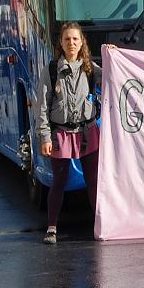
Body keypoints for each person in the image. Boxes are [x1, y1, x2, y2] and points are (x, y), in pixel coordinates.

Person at [35, 22, 103, 244]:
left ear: (82, 42)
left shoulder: (91, 69)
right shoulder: (51, 70)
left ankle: (99, 225)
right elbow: (42, 106)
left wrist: (113, 55)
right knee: (59, 182)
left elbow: (114, 76)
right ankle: (51, 228)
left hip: (88, 132)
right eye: (67, 39)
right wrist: (45, 137)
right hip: (61, 134)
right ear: (61, 43)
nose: (71, 43)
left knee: (93, 181)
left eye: (75, 39)